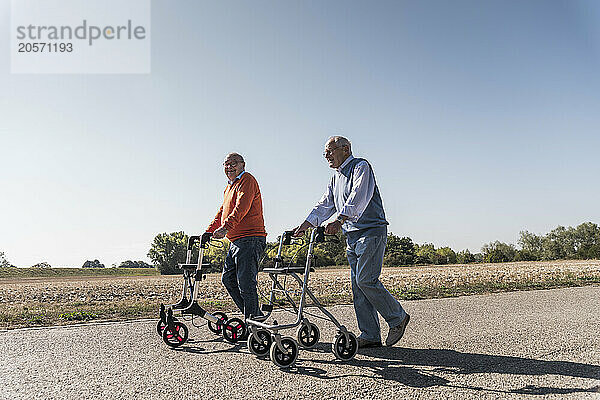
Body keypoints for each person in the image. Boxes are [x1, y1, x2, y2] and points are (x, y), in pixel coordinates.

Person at [294, 136, 410, 348]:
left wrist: (339, 220)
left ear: (345, 149)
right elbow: (325, 204)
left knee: (366, 279)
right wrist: (305, 224)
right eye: (325, 153)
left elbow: (357, 197)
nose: (326, 156)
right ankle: (370, 334)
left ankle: (397, 317)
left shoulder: (360, 166)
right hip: (352, 234)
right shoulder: (334, 178)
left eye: (330, 151)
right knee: (358, 287)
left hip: (371, 230)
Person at [206, 152, 267, 320]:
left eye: (234, 163)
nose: (229, 166)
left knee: (246, 283)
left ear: (243, 165)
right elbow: (222, 212)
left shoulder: (247, 180)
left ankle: (254, 322)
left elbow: (242, 207)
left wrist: (226, 228)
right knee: (228, 279)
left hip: (250, 238)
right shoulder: (229, 187)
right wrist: (208, 231)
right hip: (236, 241)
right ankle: (254, 317)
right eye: (226, 164)